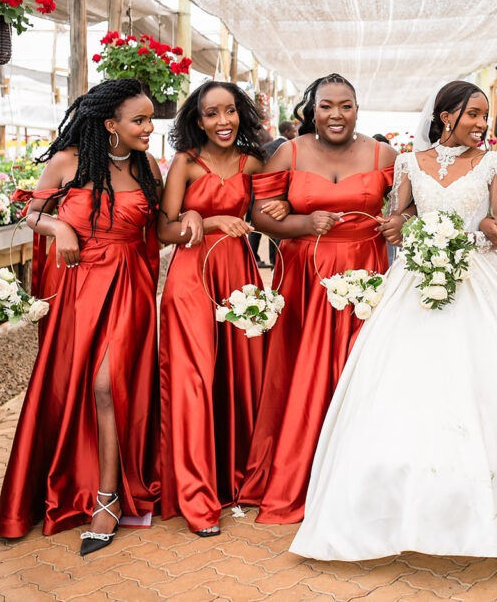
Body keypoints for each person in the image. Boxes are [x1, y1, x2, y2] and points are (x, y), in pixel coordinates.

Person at [289, 80, 497, 573]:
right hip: (415, 279)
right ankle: (393, 513)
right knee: (401, 389)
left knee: (486, 388)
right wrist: (398, 226)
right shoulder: (407, 163)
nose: (483, 124)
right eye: (474, 115)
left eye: (486, 116)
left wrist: (487, 229)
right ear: (446, 117)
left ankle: (490, 517)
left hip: (477, 284)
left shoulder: (496, 165)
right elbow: (398, 216)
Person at [0, 79, 203, 555]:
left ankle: (107, 499)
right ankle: (65, 482)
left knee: (108, 385)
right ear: (110, 125)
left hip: (129, 286)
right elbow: (30, 212)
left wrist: (193, 219)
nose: (151, 128)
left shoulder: (149, 165)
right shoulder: (67, 162)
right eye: (140, 120)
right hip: (77, 289)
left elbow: (162, 229)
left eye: (151, 119)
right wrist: (57, 224)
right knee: (68, 388)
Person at [238, 74, 397, 523]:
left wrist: (397, 221)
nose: (336, 115)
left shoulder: (382, 154)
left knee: (360, 371)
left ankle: (360, 479)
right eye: (327, 106)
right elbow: (259, 216)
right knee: (300, 373)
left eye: (346, 105)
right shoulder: (287, 152)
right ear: (313, 109)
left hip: (364, 274)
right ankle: (296, 472)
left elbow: (407, 205)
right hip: (305, 275)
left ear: (358, 109)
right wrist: (303, 222)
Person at [157, 81, 286, 537]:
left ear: (241, 114)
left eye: (229, 111)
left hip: (240, 278)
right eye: (211, 114)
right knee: (194, 380)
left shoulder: (255, 161)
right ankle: (196, 499)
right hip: (192, 278)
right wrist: (205, 220)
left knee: (242, 374)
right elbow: (164, 230)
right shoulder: (185, 164)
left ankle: (238, 480)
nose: (222, 121)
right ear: (197, 120)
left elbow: (275, 206)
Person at [249, 120, 298, 267]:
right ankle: (274, 260)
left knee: (255, 225)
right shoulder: (286, 148)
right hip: (276, 191)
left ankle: (253, 256)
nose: (295, 133)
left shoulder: (268, 146)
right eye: (293, 131)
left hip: (258, 189)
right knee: (274, 225)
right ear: (287, 132)